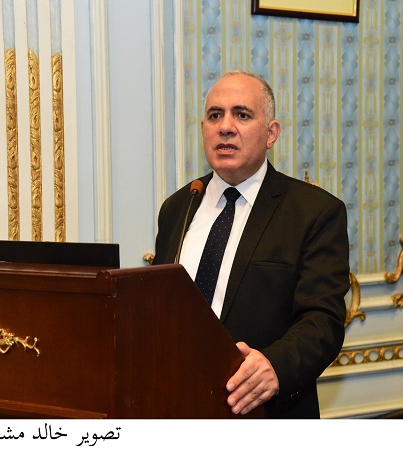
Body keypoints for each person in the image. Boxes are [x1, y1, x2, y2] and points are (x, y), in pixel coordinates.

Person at [153, 70, 350, 419]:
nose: (226, 127)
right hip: (176, 406)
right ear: (203, 128)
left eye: (242, 115)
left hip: (264, 412)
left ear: (271, 133)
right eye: (215, 115)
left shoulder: (314, 212)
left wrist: (275, 365)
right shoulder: (178, 207)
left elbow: (323, 321)